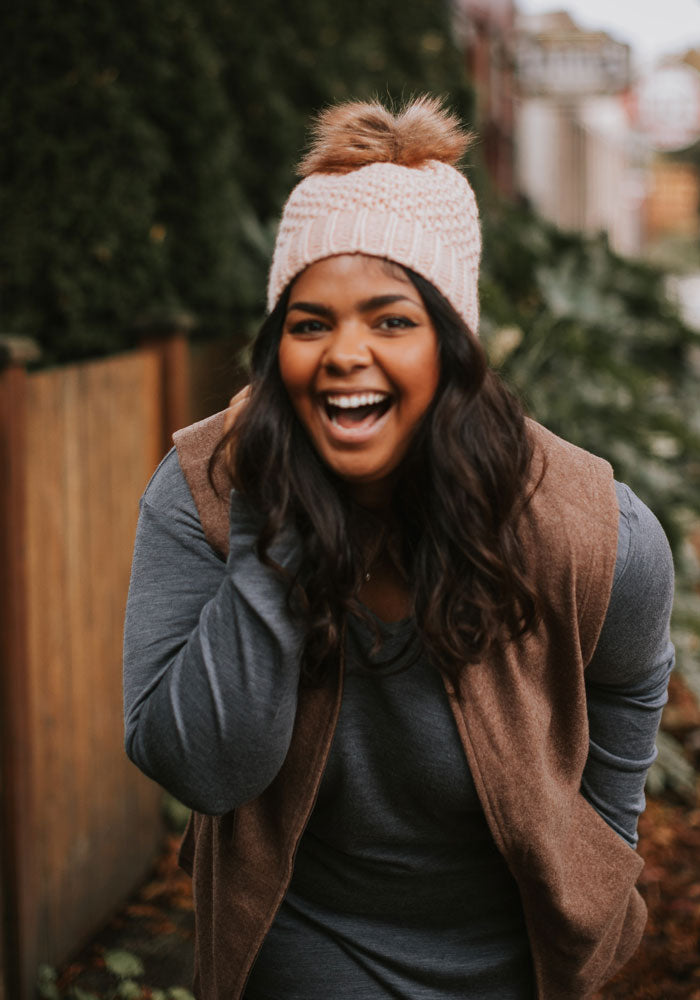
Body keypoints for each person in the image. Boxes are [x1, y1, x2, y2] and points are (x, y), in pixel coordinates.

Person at [123, 97, 674, 1000]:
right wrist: (277, 521)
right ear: (275, 350)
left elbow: (628, 675)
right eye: (309, 324)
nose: (345, 352)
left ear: (453, 348)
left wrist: (602, 852)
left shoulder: (586, 525)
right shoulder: (206, 495)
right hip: (306, 938)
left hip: (517, 951)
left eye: (390, 320)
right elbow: (202, 769)